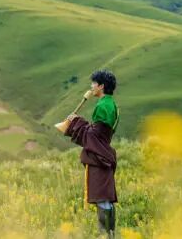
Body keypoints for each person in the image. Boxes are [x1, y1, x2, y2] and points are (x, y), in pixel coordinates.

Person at [65, 69, 120, 238]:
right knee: (106, 197)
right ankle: (111, 234)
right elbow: (99, 133)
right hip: (104, 153)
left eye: (94, 84)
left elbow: (94, 136)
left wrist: (74, 123)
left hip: (99, 157)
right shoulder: (113, 104)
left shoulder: (103, 105)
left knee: (102, 197)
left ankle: (105, 235)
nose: (91, 86)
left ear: (101, 86)